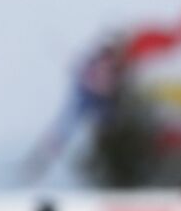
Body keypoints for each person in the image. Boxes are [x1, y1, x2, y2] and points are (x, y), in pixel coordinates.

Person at [21, 32, 133, 183]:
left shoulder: (117, 66)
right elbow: (83, 77)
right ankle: (37, 163)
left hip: (101, 102)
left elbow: (114, 86)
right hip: (86, 99)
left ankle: (110, 160)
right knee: (64, 130)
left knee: (109, 127)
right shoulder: (94, 62)